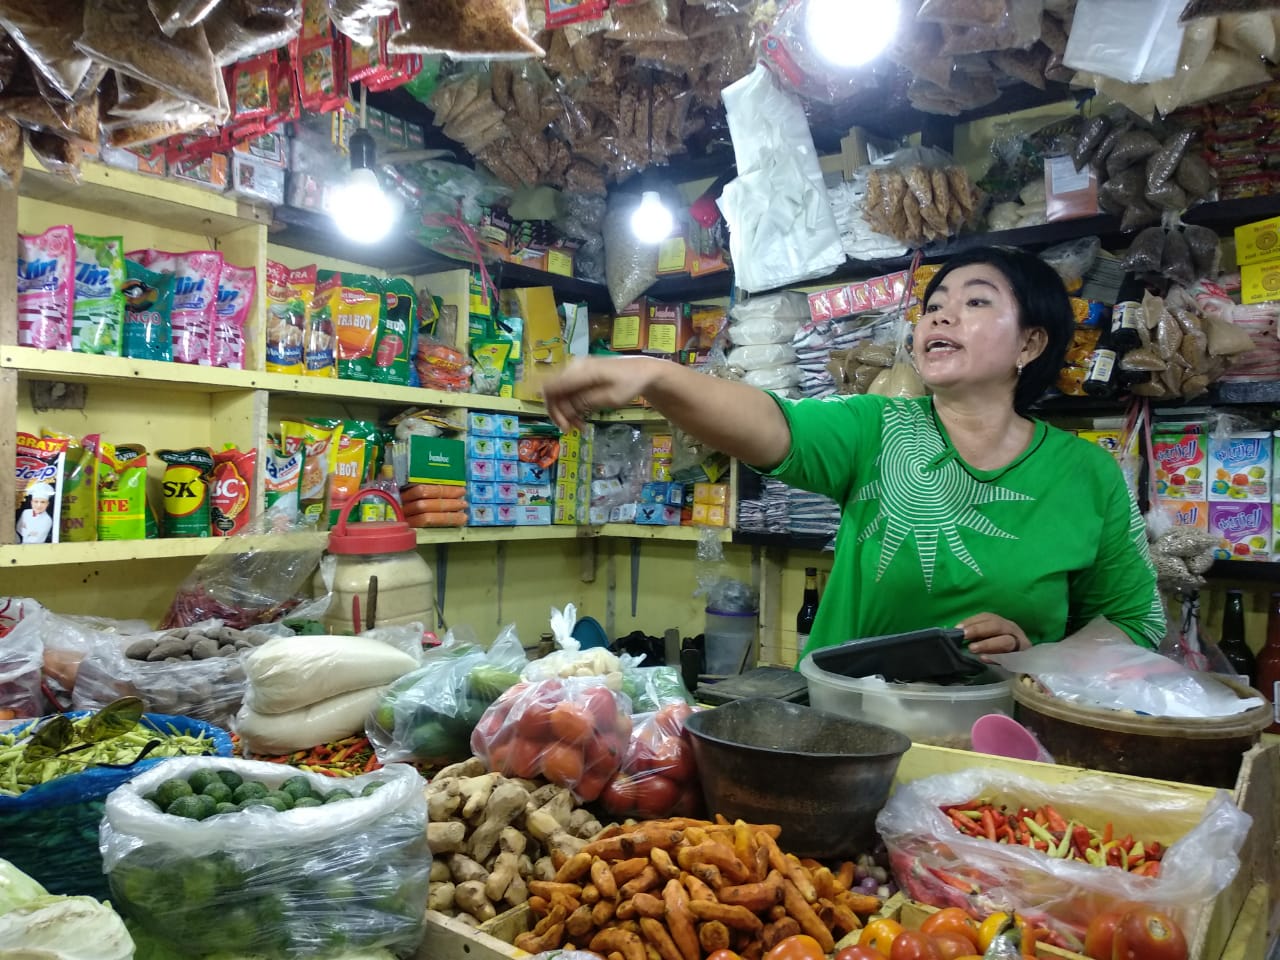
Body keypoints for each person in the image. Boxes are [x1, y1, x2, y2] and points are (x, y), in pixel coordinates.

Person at [545, 246, 1165, 660]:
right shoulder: (879, 428)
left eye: (975, 301)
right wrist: (658, 376)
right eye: (934, 306)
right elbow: (771, 423)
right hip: (853, 730)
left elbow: (1138, 630)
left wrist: (1038, 655)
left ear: (1031, 342)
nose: (941, 317)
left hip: (1002, 748)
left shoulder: (1089, 474)